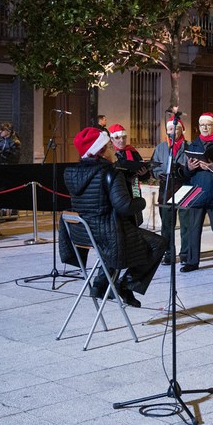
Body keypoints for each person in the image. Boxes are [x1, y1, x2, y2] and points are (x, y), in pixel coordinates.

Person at [59, 127, 166, 308]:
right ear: (100, 151)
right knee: (158, 243)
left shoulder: (71, 172)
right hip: (109, 231)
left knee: (114, 245)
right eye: (109, 146)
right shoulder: (109, 172)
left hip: (85, 233)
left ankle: (100, 285)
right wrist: (141, 201)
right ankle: (126, 285)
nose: (112, 149)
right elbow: (125, 206)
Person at [178, 112, 213, 273]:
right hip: (198, 193)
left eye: (208, 125)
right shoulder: (194, 145)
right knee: (194, 229)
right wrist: (190, 168)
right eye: (202, 125)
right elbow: (186, 173)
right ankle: (192, 261)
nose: (204, 128)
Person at [150, 116, 191, 265]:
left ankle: (186, 254)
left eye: (177, 129)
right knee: (167, 224)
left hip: (184, 187)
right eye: (170, 129)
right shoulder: (160, 147)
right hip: (165, 188)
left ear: (182, 130)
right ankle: (168, 253)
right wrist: (157, 173)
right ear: (167, 130)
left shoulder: (189, 146)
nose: (173, 131)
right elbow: (153, 166)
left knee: (186, 224)